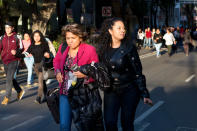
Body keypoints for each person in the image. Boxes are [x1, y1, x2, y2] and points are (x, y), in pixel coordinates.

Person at [96, 17, 153, 131]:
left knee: (126, 123)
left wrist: (144, 94)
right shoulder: (102, 49)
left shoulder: (129, 48)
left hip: (130, 89)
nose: (123, 30)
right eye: (119, 28)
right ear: (110, 31)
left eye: (124, 28)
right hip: (111, 90)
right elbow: (98, 69)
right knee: (110, 122)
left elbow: (138, 72)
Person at [53, 23, 104, 131]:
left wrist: (86, 74)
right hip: (65, 92)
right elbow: (57, 60)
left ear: (80, 37)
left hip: (83, 95)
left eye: (73, 38)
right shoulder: (63, 48)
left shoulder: (89, 50)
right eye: (67, 38)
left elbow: (97, 70)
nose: (70, 41)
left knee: (84, 126)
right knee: (64, 126)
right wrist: (57, 72)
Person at [12, 30, 51, 104]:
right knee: (42, 81)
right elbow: (25, 54)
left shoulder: (44, 44)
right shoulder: (32, 46)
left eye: (38, 36)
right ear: (33, 37)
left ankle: (38, 97)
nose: (36, 37)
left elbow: (48, 52)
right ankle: (46, 95)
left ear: (40, 36)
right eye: (35, 36)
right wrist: (16, 54)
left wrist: (47, 54)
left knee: (40, 82)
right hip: (36, 66)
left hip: (43, 65)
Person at [0, 21, 25, 105]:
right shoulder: (2, 37)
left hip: (14, 60)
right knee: (10, 78)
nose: (7, 29)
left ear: (12, 28)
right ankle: (19, 90)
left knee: (8, 79)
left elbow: (22, 48)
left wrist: (16, 52)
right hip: (5, 60)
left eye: (9, 28)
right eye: (6, 28)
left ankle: (7, 97)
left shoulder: (17, 37)